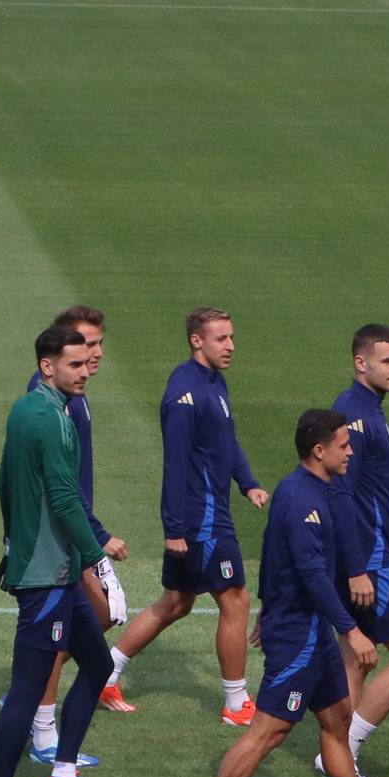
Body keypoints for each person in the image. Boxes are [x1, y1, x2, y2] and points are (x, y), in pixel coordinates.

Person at [188, 410, 389, 777]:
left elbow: (274, 555)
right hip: (300, 635)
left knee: (336, 721)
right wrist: (352, 631)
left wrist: (265, 609)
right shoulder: (302, 500)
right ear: (319, 451)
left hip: (308, 630)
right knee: (268, 731)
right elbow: (311, 573)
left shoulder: (313, 491)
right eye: (343, 445)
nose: (350, 451)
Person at [0, 325, 122, 777]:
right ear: (48, 366)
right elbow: (65, 500)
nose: (86, 372)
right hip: (51, 575)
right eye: (75, 364)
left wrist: (13, 537)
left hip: (46, 567)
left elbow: (3, 478)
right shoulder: (56, 421)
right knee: (26, 688)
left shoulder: (26, 410)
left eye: (87, 363)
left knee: (98, 662)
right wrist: (97, 560)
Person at [108, 308, 269, 725]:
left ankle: (106, 673)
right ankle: (236, 705)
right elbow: (174, 463)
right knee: (236, 599)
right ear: (197, 341)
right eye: (221, 339)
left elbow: (226, 441)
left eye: (232, 337)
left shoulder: (215, 382)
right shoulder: (183, 392)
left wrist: (246, 482)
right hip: (201, 520)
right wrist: (174, 528)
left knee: (177, 602)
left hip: (209, 513)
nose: (231, 346)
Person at [322, 323, 389, 777]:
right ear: (361, 363)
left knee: (356, 657)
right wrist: (358, 566)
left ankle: (338, 760)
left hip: (380, 553)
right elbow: (342, 495)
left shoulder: (370, 412)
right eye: (388, 360)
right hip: (368, 562)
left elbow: (374, 494)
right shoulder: (355, 416)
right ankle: (340, 751)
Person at [24, 306, 132, 747]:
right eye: (88, 344)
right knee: (77, 622)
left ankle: (33, 699)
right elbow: (58, 485)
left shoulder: (74, 397)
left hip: (68, 531)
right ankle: (42, 724)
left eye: (99, 343)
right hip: (58, 538)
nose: (97, 352)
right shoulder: (50, 401)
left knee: (91, 619)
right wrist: (97, 537)